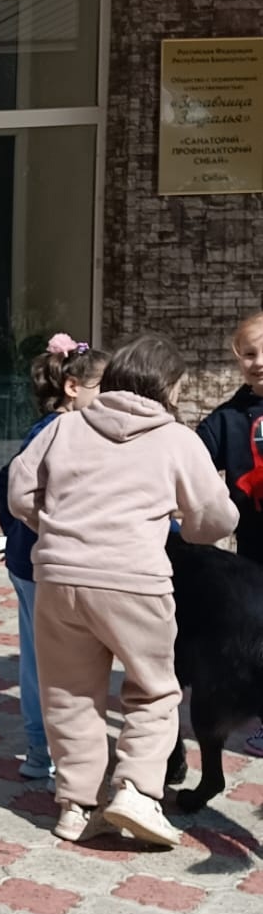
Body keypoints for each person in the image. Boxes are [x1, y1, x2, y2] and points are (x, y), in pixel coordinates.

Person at [7, 334, 238, 847]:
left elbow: (19, 492)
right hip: (135, 581)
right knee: (154, 690)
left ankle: (76, 807)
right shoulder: (177, 440)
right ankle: (136, 791)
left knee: (69, 693)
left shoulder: (64, 427)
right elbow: (217, 518)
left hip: (59, 578)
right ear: (168, 387)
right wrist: (186, 525)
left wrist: (56, 528)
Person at [0, 335, 108, 783]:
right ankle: (45, 750)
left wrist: (15, 534)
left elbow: (4, 483)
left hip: (33, 561)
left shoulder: (48, 429)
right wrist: (28, 532)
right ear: (73, 387)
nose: (111, 397)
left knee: (40, 657)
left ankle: (43, 751)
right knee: (52, 661)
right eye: (104, 387)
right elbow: (10, 485)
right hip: (45, 564)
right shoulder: (61, 433)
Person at [196, 309, 263, 755]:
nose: (259, 362)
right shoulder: (226, 419)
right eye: (250, 353)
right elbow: (190, 463)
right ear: (237, 358)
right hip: (254, 553)